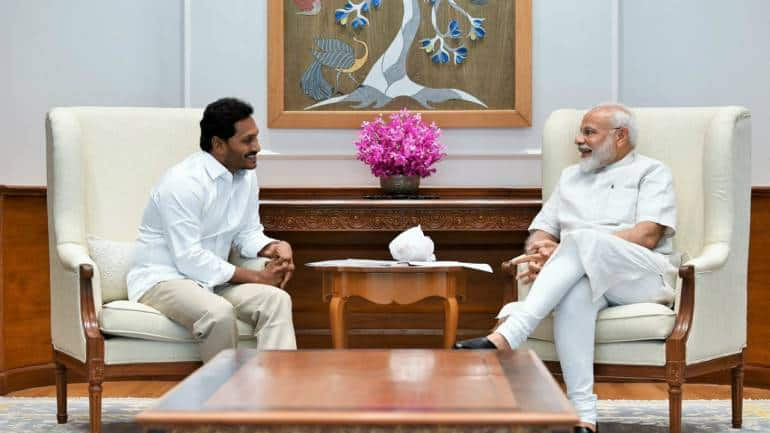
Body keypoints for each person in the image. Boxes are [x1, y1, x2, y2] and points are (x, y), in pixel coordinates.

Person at [454, 103, 678, 433]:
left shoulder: (651, 171)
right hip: (583, 275)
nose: (578, 139)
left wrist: (566, 250)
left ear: (620, 136)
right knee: (575, 293)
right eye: (580, 132)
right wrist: (543, 250)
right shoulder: (571, 177)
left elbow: (646, 235)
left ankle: (511, 332)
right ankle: (584, 416)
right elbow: (541, 232)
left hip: (640, 276)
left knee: (581, 239)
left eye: (589, 132)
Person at [126, 97, 297, 362]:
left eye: (256, 138)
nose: (257, 147)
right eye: (247, 141)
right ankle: (225, 399)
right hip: (164, 279)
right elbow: (188, 258)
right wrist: (257, 278)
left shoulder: (246, 176)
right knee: (218, 313)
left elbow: (247, 233)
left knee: (276, 300)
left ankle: (276, 396)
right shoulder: (183, 182)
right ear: (218, 145)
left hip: (214, 281)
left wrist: (273, 247)